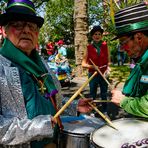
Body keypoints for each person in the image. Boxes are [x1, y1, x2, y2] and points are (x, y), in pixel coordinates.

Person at [0, 0, 92, 147]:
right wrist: (41, 126)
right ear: (4, 30)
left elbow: (51, 102)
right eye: (18, 24)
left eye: (32, 26)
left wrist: (74, 106)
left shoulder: (41, 64)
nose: (26, 30)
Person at [111, 2, 148, 118]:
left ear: (139, 37)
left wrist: (123, 101)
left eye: (123, 42)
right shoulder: (141, 61)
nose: (121, 49)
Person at [82, 25, 110, 113]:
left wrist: (108, 68)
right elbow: (83, 64)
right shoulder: (88, 47)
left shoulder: (105, 45)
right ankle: (92, 111)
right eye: (95, 34)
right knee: (92, 94)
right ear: (92, 36)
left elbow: (109, 60)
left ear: (101, 35)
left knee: (104, 93)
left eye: (99, 34)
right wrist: (92, 67)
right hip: (92, 74)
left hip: (103, 73)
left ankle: (105, 111)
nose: (97, 36)